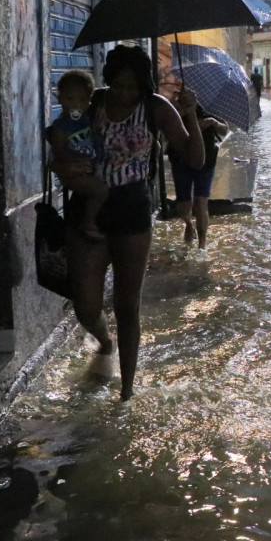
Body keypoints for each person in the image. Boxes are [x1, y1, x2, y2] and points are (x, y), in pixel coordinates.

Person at [54, 44, 206, 400]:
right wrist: (60, 164)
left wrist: (190, 115)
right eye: (120, 86)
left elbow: (195, 160)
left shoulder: (156, 108)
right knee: (85, 304)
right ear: (109, 81)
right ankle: (105, 342)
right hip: (88, 205)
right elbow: (60, 142)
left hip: (133, 209)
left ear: (143, 86)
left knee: (127, 305)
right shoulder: (91, 104)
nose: (126, 93)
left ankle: (126, 390)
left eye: (133, 87)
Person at [47, 70, 108, 241]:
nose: (76, 105)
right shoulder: (61, 126)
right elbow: (59, 151)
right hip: (74, 172)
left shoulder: (88, 120)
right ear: (59, 99)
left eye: (82, 100)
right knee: (100, 190)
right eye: (70, 99)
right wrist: (73, 162)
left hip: (87, 168)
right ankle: (89, 223)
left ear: (89, 100)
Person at [169, 97, 229, 254]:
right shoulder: (176, 103)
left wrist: (214, 123)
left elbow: (225, 130)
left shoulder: (213, 104)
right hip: (181, 157)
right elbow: (167, 128)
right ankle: (189, 224)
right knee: (183, 205)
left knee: (201, 201)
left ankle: (202, 245)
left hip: (207, 159)